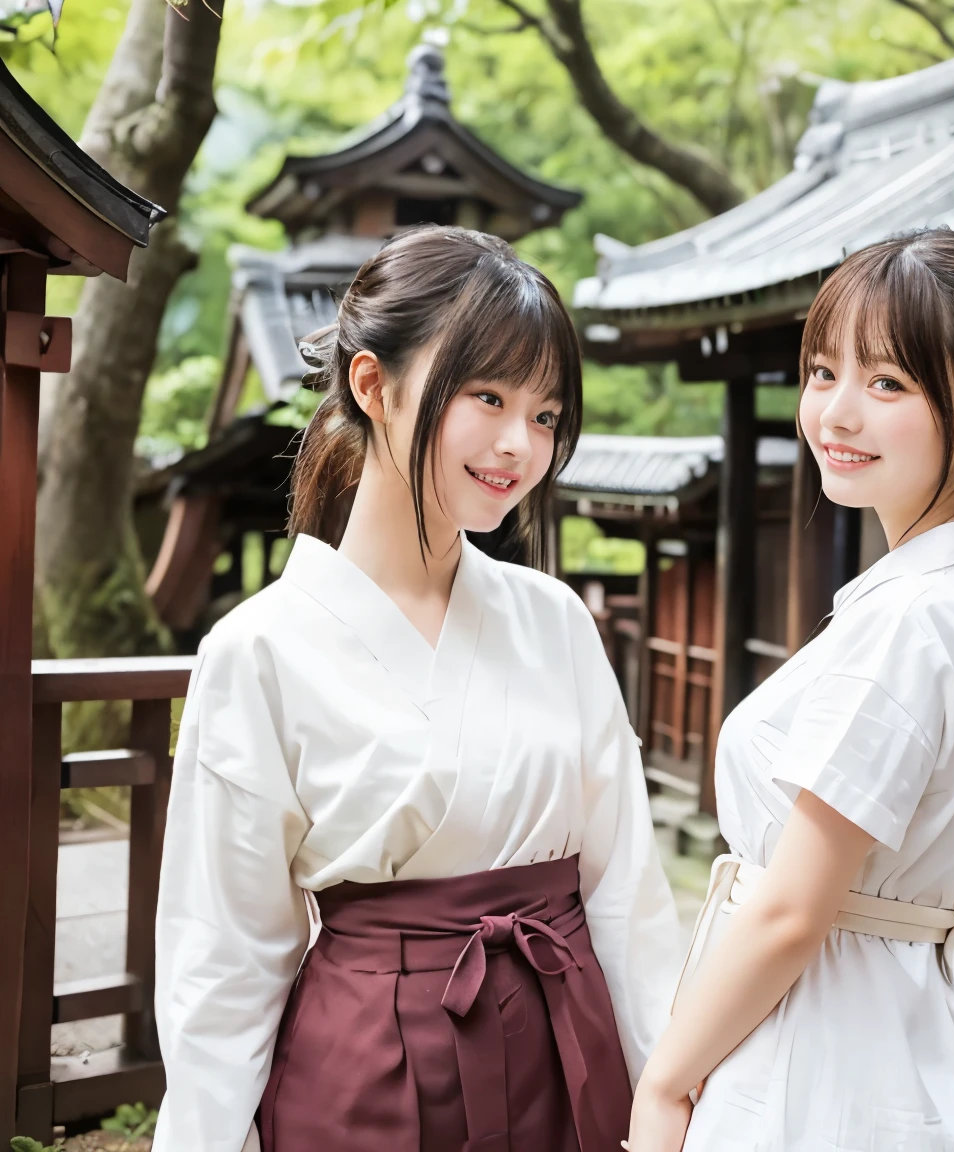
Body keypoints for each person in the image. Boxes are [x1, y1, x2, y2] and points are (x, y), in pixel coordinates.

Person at [155, 225, 680, 1152]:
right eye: (487, 396)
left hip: (565, 1052)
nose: (521, 445)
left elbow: (628, 897)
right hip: (367, 1078)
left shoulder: (553, 621)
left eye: (547, 414)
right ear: (372, 385)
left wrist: (670, 1096)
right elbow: (224, 962)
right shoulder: (259, 650)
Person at [626, 228, 954, 1152]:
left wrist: (664, 1086)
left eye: (888, 383)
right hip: (953, 1070)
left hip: (823, 1065)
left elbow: (791, 911)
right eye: (821, 371)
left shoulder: (910, 623)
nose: (836, 413)